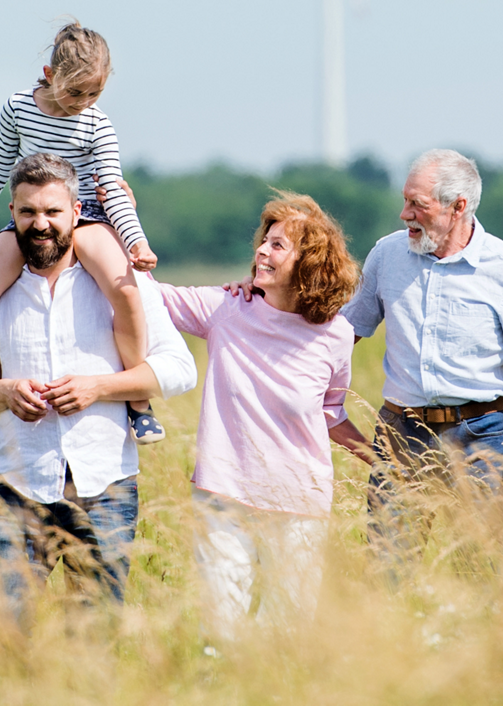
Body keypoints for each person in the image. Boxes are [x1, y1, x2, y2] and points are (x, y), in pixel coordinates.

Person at [0, 154, 196, 637]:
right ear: (12, 214)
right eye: (27, 212)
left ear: (76, 212)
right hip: (18, 486)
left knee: (93, 641)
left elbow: (179, 369)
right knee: (2, 635)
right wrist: (3, 392)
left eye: (52, 212)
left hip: (105, 485)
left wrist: (98, 387)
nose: (40, 224)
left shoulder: (121, 282)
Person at [157, 192, 371, 635]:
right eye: (264, 241)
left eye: (277, 246)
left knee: (287, 632)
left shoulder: (335, 335)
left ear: (309, 264)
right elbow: (145, 295)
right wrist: (116, 220)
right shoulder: (225, 308)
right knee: (222, 629)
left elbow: (330, 411)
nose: (261, 251)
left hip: (299, 503)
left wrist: (381, 457)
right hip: (224, 495)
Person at [0, 22, 164, 455]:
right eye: (75, 93)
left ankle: (138, 403)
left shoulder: (98, 124)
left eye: (94, 94)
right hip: (33, 216)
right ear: (49, 75)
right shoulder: (17, 108)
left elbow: (112, 189)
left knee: (125, 291)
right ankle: (0, 398)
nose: (83, 103)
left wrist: (137, 242)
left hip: (88, 214)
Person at [341, 148, 503, 577]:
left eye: (417, 204)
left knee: (477, 571)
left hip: (481, 435)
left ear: (458, 207)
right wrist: (263, 308)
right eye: (405, 200)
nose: (404, 214)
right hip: (401, 433)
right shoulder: (386, 255)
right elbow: (343, 332)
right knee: (388, 572)